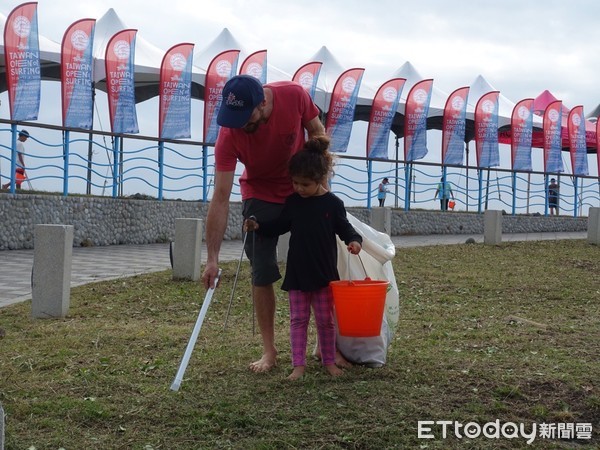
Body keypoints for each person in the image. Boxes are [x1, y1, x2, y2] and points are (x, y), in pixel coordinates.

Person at [201, 75, 328, 373]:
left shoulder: (294, 95)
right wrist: (212, 259)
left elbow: (317, 132)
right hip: (259, 194)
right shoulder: (229, 134)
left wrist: (321, 192)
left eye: (246, 117)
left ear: (262, 103)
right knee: (262, 269)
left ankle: (324, 341)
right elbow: (220, 197)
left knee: (316, 262)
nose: (239, 125)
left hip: (301, 187)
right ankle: (269, 351)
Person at [244, 135, 363, 380]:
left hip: (324, 274)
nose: (299, 188)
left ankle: (329, 361)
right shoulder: (293, 202)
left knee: (325, 322)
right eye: (295, 183)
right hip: (298, 273)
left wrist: (355, 241)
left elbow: (345, 228)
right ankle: (298, 365)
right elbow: (279, 225)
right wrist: (259, 226)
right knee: (298, 320)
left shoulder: (333, 204)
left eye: (305, 184)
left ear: (320, 180)